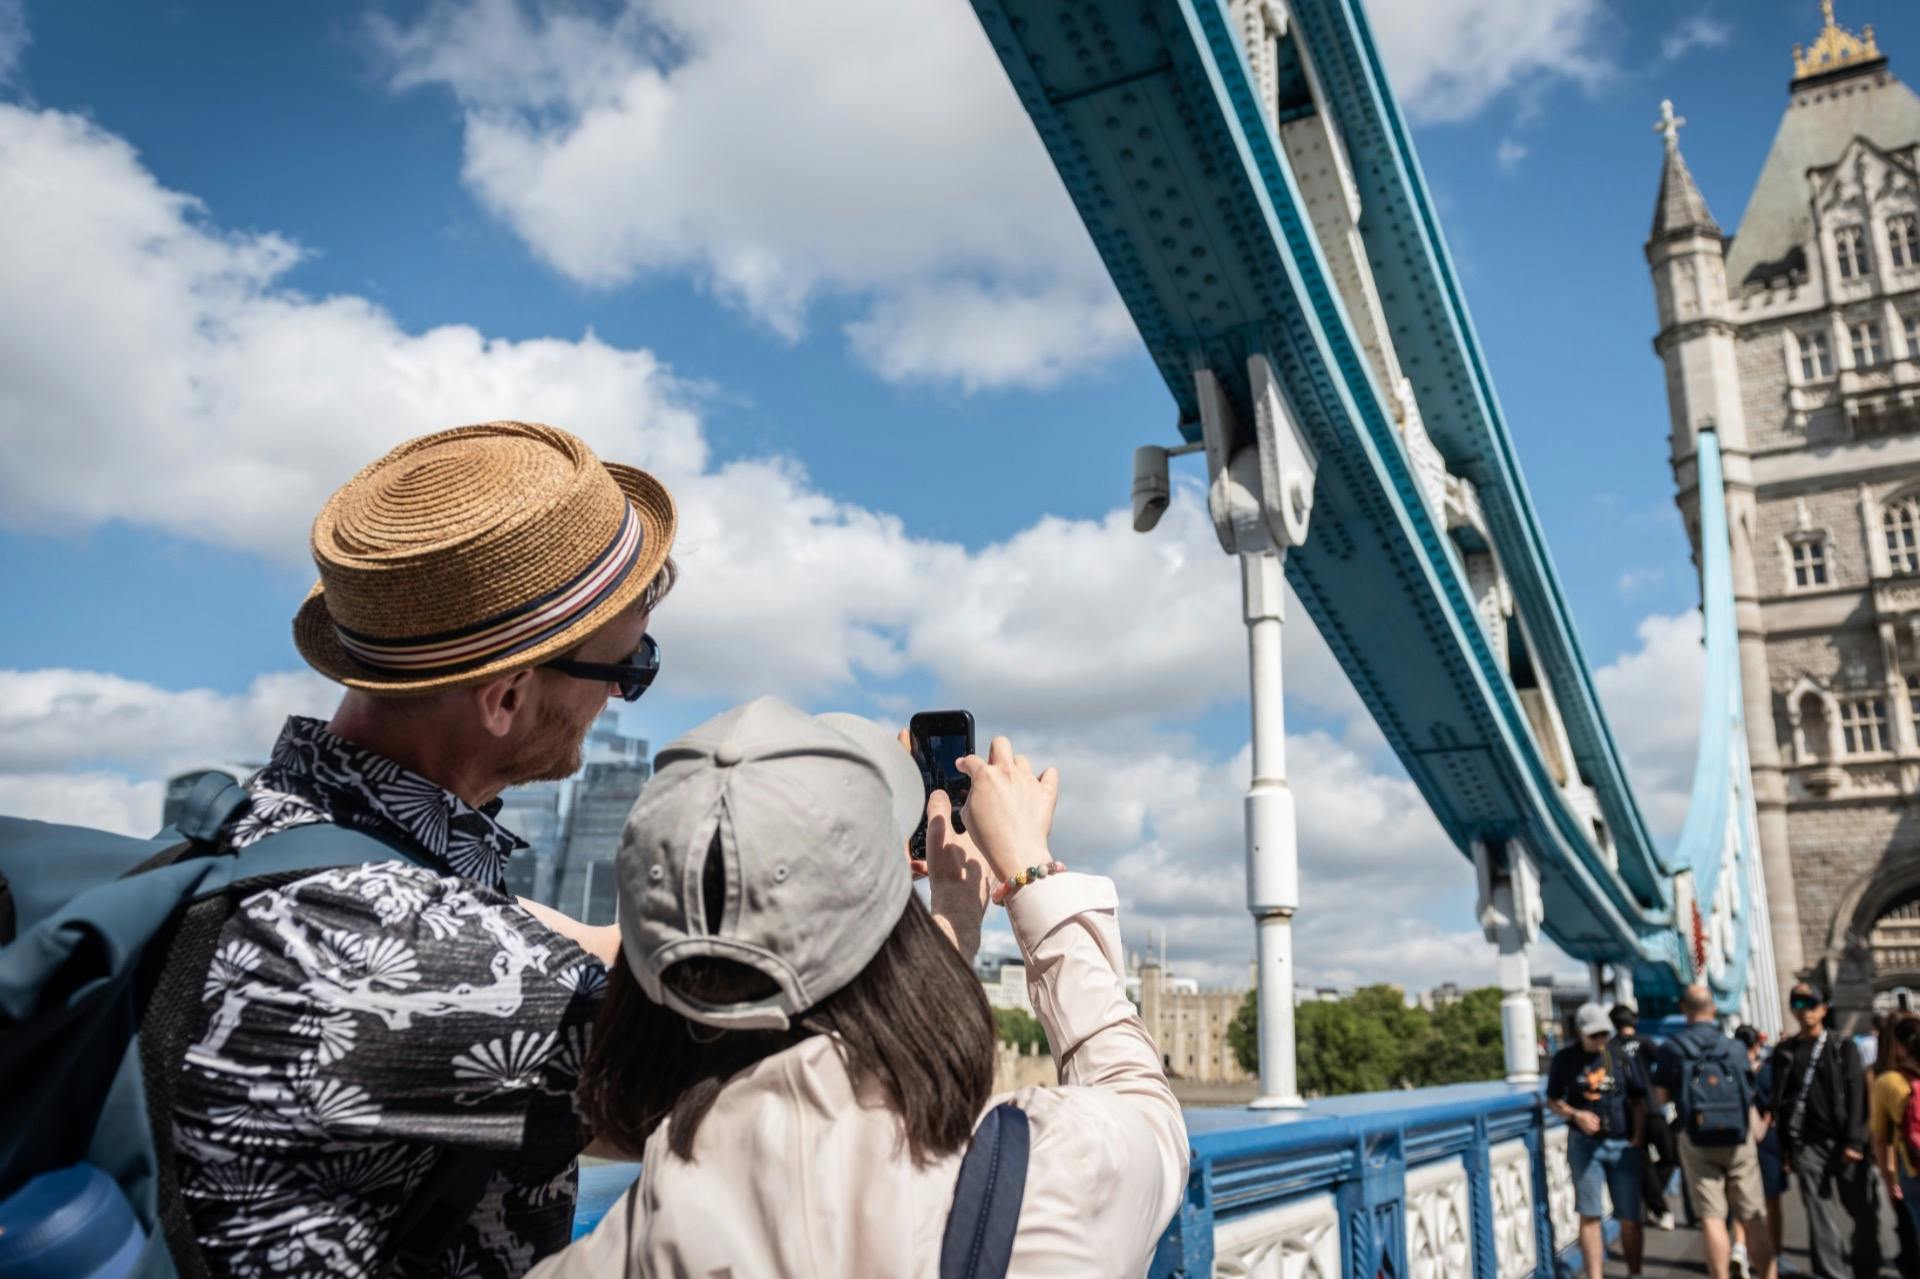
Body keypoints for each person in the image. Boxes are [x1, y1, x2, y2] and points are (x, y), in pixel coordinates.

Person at [171, 422, 678, 1279]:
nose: (621, 701)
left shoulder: (250, 836)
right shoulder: (461, 969)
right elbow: (749, 1101)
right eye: (629, 670)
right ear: (507, 697)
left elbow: (549, 937)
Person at [532, 703, 1190, 1276]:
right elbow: (1145, 1115)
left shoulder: (620, 1246)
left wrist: (952, 924)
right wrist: (1029, 868)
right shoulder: (1028, 1187)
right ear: (894, 955)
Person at [1652, 984, 1775, 1279]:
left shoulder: (1672, 1048)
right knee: (1752, 1215)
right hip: (1737, 1137)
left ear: (1684, 1009)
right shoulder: (1734, 1048)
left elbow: (1660, 1097)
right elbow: (1749, 1093)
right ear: (1714, 1009)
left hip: (1697, 1137)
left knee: (1712, 1217)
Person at [1771, 981, 1877, 1279]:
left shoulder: (1843, 1046)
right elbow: (1780, 1101)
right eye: (1798, 1004)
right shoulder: (1785, 1052)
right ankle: (1834, 1274)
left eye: (1811, 1004)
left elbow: (1858, 1096)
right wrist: (1787, 1150)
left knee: (1864, 1211)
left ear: (1823, 1008)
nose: (1804, 1011)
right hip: (1807, 1144)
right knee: (1820, 1214)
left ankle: (1865, 1264)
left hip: (1846, 1141)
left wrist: (1856, 1141)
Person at [1546, 1001, 1646, 1279]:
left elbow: (1639, 1099)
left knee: (1629, 1216)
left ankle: (1634, 1272)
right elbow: (1553, 1100)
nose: (1600, 1040)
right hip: (1585, 1144)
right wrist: (1575, 1115)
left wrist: (1637, 1137)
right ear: (1580, 1032)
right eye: (1594, 1036)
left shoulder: (1621, 1057)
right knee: (1589, 1214)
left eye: (1604, 1034)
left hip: (1622, 1142)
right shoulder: (1565, 1060)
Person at [1613, 1003, 1681, 1231]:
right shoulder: (1645, 1042)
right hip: (1652, 1107)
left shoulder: (1609, 1048)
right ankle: (1657, 1203)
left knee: (1643, 1162)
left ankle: (1654, 1202)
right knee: (1670, 1156)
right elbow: (1665, 1066)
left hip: (1628, 1114)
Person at [1734, 1025, 1788, 1278]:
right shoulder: (1767, 1071)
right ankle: (1775, 1254)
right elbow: (1778, 1103)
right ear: (1758, 1044)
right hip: (1768, 1141)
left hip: (1738, 1140)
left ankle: (1740, 1250)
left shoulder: (1731, 1070)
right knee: (1771, 1201)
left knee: (1740, 1202)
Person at [1877, 1017, 1920, 1239]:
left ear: (1900, 1047)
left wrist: (1889, 1177)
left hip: (1912, 1167)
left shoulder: (1888, 1081)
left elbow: (1881, 1138)